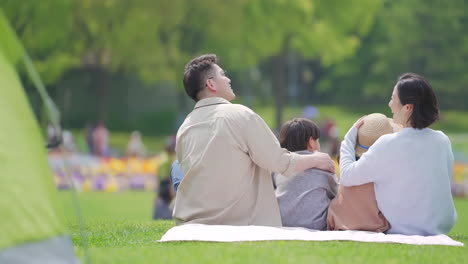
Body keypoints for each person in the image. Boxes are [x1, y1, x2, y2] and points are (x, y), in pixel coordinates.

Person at [174, 54, 335, 226]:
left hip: (191, 221)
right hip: (239, 222)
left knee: (175, 168)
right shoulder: (240, 115)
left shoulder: (185, 127)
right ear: (211, 84)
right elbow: (278, 162)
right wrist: (317, 159)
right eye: (222, 74)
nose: (228, 79)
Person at [339, 73, 457, 235]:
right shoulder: (442, 140)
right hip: (441, 226)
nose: (389, 104)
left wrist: (349, 138)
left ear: (408, 108)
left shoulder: (388, 143)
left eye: (393, 98)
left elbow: (346, 176)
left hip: (403, 227)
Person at [327, 113, 400, 232]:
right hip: (374, 224)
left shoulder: (350, 169)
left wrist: (349, 138)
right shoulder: (385, 173)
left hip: (338, 222)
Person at [275, 118, 338, 230]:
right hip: (315, 226)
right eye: (317, 140)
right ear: (311, 142)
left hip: (283, 224)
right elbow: (337, 192)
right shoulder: (323, 168)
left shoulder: (279, 170)